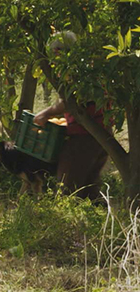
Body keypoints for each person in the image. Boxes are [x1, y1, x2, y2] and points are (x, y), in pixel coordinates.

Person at [33, 31, 109, 200]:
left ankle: (66, 225)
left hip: (85, 137)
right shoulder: (86, 67)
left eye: (54, 54)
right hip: (101, 135)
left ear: (60, 52)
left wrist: (46, 113)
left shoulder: (75, 71)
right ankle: (101, 221)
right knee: (90, 189)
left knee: (66, 189)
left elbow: (71, 102)